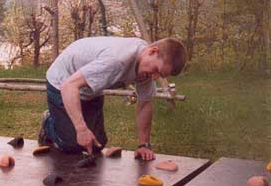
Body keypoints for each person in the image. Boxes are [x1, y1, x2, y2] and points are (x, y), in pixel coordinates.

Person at [38, 36, 187, 160]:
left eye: (160, 75)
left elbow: (145, 104)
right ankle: (49, 122)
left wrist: (144, 145)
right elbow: (69, 86)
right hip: (62, 82)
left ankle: (68, 126)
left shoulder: (146, 65)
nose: (154, 77)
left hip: (90, 87)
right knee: (72, 144)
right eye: (156, 70)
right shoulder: (117, 61)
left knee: (97, 144)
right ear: (153, 51)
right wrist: (81, 128)